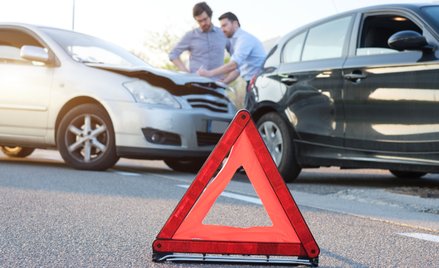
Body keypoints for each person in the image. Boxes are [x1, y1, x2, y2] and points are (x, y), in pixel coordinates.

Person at [197, 12, 266, 86]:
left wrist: (209, 73)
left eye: (225, 25)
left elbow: (233, 65)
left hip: (260, 82)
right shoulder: (237, 42)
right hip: (253, 82)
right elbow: (238, 69)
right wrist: (223, 82)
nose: (222, 30)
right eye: (221, 27)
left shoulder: (244, 39)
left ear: (235, 24)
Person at [169, 2, 229, 80]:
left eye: (205, 19)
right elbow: (173, 54)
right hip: (196, 84)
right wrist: (187, 75)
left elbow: (236, 58)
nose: (203, 23)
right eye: (199, 21)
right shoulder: (190, 35)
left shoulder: (223, 34)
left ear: (210, 16)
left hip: (218, 85)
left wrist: (227, 78)